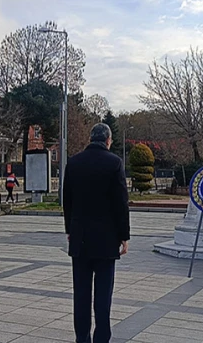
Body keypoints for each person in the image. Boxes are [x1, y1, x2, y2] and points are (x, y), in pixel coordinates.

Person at [63, 123, 130, 343]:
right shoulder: (114, 163)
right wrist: (123, 236)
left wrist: (70, 231)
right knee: (103, 296)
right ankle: (102, 337)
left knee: (81, 295)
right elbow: (121, 203)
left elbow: (68, 202)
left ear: (90, 139)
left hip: (80, 238)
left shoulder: (73, 163)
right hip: (106, 239)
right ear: (108, 140)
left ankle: (82, 338)